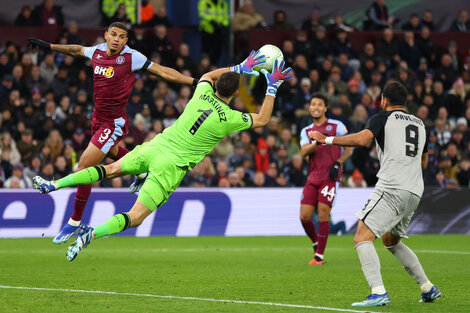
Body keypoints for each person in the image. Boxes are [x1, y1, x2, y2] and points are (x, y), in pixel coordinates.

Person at [33, 52, 292, 261]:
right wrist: (273, 86)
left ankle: (54, 184)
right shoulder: (230, 119)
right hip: (170, 166)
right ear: (235, 94)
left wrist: (240, 66)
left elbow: (205, 75)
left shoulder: (201, 93)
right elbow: (263, 118)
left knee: (108, 170)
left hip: (155, 146)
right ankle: (93, 234)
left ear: (216, 87)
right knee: (134, 217)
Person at [27, 22, 198, 245]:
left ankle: (75, 221)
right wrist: (49, 46)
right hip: (97, 120)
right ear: (106, 35)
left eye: (122, 36)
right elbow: (76, 50)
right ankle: (140, 174)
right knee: (113, 151)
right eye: (114, 34)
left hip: (113, 122)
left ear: (126, 40)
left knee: (85, 166)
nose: (117, 39)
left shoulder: (131, 57)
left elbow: (163, 71)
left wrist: (195, 81)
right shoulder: (96, 51)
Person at [311, 80, 441, 306]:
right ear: (405, 101)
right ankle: (428, 288)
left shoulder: (382, 118)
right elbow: (425, 158)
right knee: (391, 240)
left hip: (392, 187)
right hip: (415, 191)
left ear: (384, 100)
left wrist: (326, 139)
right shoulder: (420, 124)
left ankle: (378, 291)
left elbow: (361, 139)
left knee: (361, 238)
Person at [299, 93, 352, 265]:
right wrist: (317, 141)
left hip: (329, 177)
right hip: (313, 177)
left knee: (323, 213)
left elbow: (349, 149)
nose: (316, 107)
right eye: (313, 104)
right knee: (304, 217)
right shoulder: (306, 131)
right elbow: (304, 152)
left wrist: (339, 162)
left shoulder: (336, 126)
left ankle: (319, 256)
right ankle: (316, 242)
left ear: (325, 108)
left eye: (319, 105)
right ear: (309, 107)